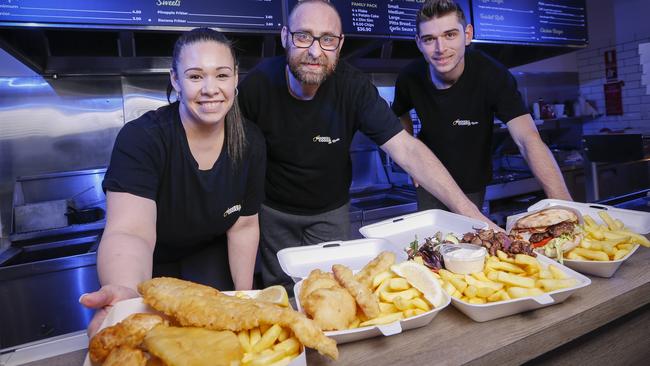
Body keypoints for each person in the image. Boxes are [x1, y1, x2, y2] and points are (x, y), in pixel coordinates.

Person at [238, 0, 499, 289]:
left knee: (332, 292)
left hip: (331, 212)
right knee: (283, 294)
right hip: (274, 212)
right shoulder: (257, 86)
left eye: (327, 39)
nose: (315, 51)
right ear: (286, 36)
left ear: (340, 44)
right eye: (303, 36)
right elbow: (234, 156)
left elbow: (407, 148)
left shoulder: (354, 87)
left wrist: (474, 216)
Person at [79, 28, 266, 336]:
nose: (210, 89)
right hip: (150, 265)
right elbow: (130, 232)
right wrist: (127, 295)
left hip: (208, 258)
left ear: (235, 78)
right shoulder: (143, 138)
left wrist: (242, 301)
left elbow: (243, 226)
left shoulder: (251, 142)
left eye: (221, 75)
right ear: (176, 80)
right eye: (195, 76)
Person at [392, 0, 572, 212]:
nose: (441, 48)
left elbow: (527, 138)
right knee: (433, 242)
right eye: (430, 39)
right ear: (418, 43)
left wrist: (563, 203)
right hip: (429, 182)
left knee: (471, 240)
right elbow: (400, 113)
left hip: (473, 181)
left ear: (467, 35)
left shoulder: (492, 75)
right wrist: (410, 161)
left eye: (450, 35)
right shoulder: (409, 77)